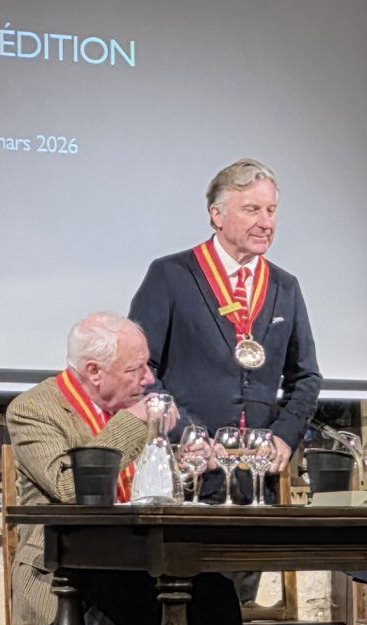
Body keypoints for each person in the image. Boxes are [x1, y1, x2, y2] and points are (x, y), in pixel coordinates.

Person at [7, 313, 245, 625]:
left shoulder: (135, 408)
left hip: (136, 572)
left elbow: (150, 493)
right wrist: (136, 423)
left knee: (215, 595)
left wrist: (184, 465)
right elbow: (70, 487)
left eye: (148, 367)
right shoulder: (33, 410)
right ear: (93, 371)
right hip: (62, 584)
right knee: (105, 600)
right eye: (136, 370)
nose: (148, 379)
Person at [130, 162, 322, 486]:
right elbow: (139, 369)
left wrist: (284, 436)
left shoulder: (285, 287)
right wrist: (185, 434)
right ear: (217, 215)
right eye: (252, 210)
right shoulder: (170, 275)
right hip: (189, 469)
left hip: (258, 478)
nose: (266, 223)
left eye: (271, 210)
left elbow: (306, 377)